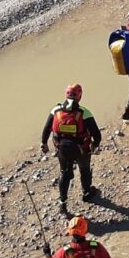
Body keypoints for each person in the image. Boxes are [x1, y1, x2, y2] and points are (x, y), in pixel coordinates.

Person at [41, 84, 102, 214]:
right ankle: (86, 193)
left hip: (62, 149)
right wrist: (95, 145)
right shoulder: (85, 112)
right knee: (84, 170)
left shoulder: (56, 110)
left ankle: (62, 204)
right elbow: (96, 133)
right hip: (81, 149)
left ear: (66, 95)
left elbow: (47, 129)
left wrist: (44, 143)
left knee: (64, 173)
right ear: (80, 96)